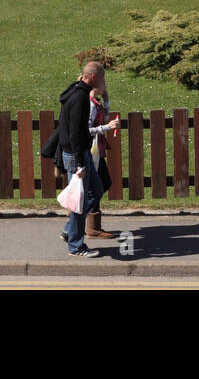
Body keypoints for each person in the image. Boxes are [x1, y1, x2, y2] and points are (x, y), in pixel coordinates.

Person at [57, 61, 116, 257]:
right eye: (102, 78)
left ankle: (69, 229)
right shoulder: (82, 98)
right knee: (79, 201)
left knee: (97, 189)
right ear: (92, 78)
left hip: (81, 153)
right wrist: (80, 163)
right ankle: (76, 246)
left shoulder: (76, 89)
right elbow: (75, 133)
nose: (104, 82)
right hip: (77, 155)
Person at [85, 83, 119, 239]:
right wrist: (107, 128)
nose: (105, 85)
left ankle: (93, 227)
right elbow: (86, 130)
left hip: (96, 150)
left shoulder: (96, 102)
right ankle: (80, 217)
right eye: (103, 83)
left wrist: (106, 100)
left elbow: (103, 119)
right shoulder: (90, 104)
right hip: (91, 151)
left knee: (100, 184)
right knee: (102, 184)